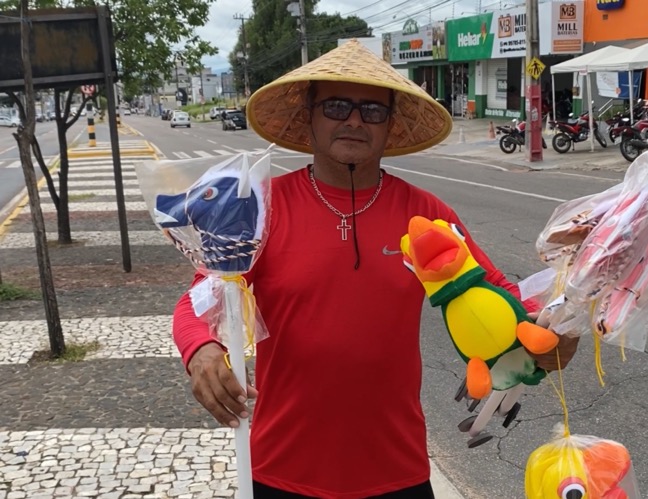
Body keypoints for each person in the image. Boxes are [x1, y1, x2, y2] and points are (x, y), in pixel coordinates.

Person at [172, 40, 579, 499]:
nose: (353, 120)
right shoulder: (260, 209)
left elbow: (494, 292)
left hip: (396, 470)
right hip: (280, 468)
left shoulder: (424, 214)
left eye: (372, 110)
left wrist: (555, 328)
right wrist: (201, 350)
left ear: (391, 126)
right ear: (309, 117)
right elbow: (198, 300)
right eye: (337, 106)